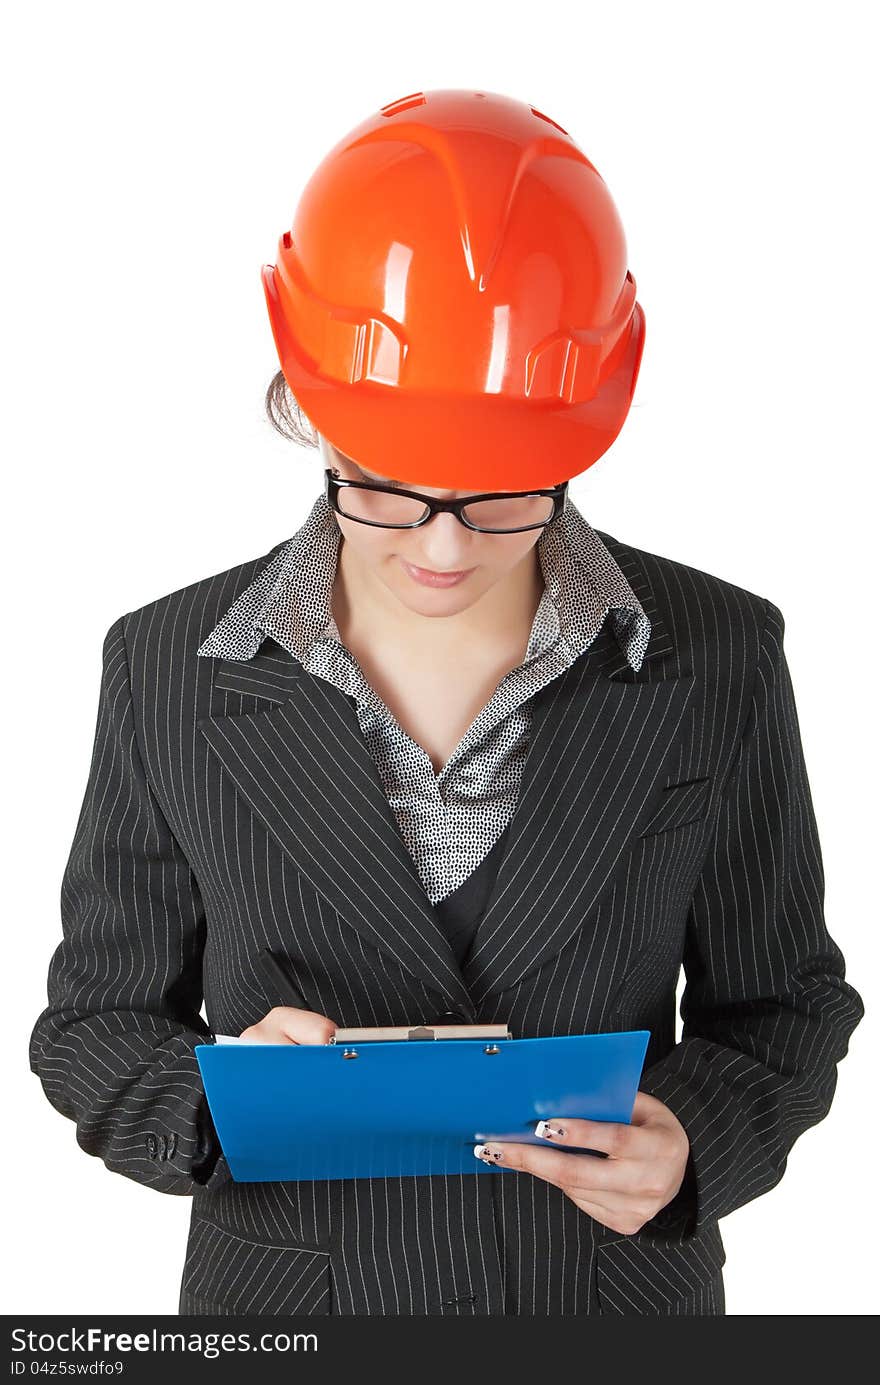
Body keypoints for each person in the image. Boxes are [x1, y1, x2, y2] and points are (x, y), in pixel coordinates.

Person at [29, 88, 863, 1318]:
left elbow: (782, 1004)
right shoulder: (169, 665)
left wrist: (694, 1141)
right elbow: (93, 1021)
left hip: (612, 1305)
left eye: (501, 493)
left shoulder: (717, 653)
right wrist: (213, 1100)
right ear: (309, 412)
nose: (439, 546)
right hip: (290, 1313)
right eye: (384, 487)